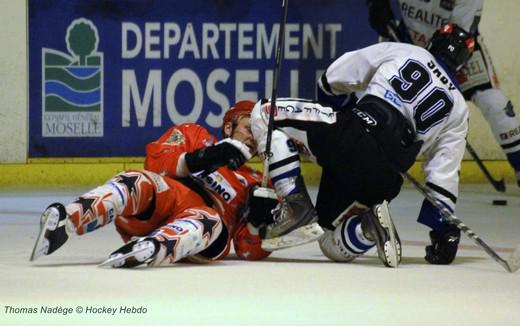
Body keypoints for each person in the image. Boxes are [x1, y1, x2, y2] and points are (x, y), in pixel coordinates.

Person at [250, 24, 474, 267]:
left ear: (434, 40)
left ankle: (296, 206)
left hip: (350, 136)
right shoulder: (460, 109)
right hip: (384, 179)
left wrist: (337, 115)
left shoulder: (408, 52)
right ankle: (367, 228)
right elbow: (443, 177)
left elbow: (333, 78)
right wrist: (442, 229)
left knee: (263, 112)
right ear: (462, 64)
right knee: (329, 242)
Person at [30, 101, 275, 267]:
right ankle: (68, 220)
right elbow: (156, 163)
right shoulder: (195, 135)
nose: (254, 137)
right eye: (248, 127)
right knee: (136, 180)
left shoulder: (256, 181)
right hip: (167, 199)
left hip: (203, 230)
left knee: (207, 218)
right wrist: (207, 157)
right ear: (228, 126)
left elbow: (246, 249)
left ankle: (151, 249)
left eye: (260, 132)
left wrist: (259, 222)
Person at [366, 0, 520, 186]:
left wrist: (435, 77)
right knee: (386, 99)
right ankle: (372, 164)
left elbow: (459, 38)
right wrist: (376, 5)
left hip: (459, 50)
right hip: (410, 39)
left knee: (494, 104)